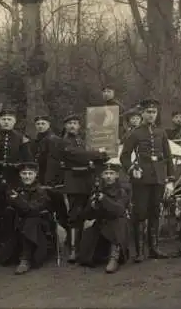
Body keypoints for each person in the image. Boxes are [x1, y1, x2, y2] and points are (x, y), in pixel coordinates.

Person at [120, 98, 175, 262]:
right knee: (140, 213)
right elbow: (124, 156)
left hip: (158, 178)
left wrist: (170, 179)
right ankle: (139, 251)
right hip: (141, 178)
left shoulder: (161, 132)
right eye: (148, 112)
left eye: (154, 112)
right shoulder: (135, 133)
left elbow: (168, 157)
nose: (151, 115)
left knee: (155, 213)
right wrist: (132, 169)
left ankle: (154, 249)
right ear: (142, 114)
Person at [60, 113, 109, 263]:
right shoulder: (64, 142)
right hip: (74, 182)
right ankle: (74, 250)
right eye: (69, 123)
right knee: (75, 215)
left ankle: (85, 246)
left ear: (79, 126)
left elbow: (88, 157)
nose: (73, 126)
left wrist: (101, 156)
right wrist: (98, 154)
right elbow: (78, 155)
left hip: (87, 181)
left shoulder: (82, 141)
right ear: (65, 126)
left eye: (75, 123)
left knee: (88, 213)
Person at [0, 105, 33, 250]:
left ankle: (14, 246)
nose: (6, 122)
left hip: (14, 182)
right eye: (4, 119)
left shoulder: (21, 139)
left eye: (9, 119)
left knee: (13, 214)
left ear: (14, 121)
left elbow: (28, 162)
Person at [0, 162, 57, 275]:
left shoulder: (42, 191)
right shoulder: (16, 190)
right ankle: (10, 250)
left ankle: (26, 258)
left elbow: (33, 210)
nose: (27, 176)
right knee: (9, 214)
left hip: (39, 230)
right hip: (18, 226)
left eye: (30, 173)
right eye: (24, 173)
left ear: (35, 175)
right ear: (20, 175)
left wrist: (18, 201)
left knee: (31, 220)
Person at [77, 163, 131, 274]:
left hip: (117, 225)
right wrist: (91, 207)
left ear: (116, 176)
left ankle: (114, 257)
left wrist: (104, 199)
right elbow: (87, 216)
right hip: (102, 225)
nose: (108, 176)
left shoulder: (122, 191)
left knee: (118, 224)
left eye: (111, 173)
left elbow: (119, 210)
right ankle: (102, 254)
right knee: (85, 257)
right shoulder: (97, 190)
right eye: (106, 173)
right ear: (102, 176)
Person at [32, 115, 67, 229]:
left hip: (52, 182)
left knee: (59, 211)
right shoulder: (38, 139)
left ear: (49, 124)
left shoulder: (53, 139)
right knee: (46, 211)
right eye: (38, 124)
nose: (40, 126)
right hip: (42, 179)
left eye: (43, 123)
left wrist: (48, 183)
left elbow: (53, 162)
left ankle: (70, 239)